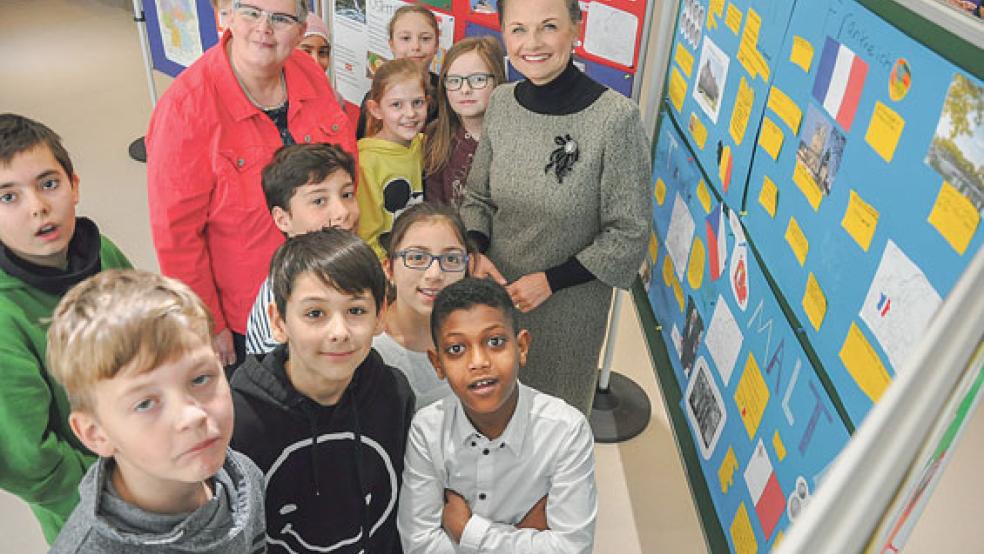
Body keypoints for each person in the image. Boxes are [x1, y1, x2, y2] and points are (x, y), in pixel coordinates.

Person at [459, 0, 651, 414]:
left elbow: (629, 233)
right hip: (497, 296)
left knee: (552, 426)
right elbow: (476, 197)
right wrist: (474, 250)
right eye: (518, 30)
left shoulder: (615, 119)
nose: (532, 43)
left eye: (548, 26)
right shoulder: (502, 103)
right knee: (492, 414)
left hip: (568, 310)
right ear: (504, 34)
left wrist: (551, 280)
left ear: (575, 29)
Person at [147, 0, 356, 371]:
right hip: (249, 313)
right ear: (227, 15)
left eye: (280, 18)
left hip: (328, 287)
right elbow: (176, 234)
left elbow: (345, 172)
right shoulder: (185, 108)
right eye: (251, 12)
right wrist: (207, 322)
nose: (264, 28)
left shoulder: (307, 71)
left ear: (301, 28)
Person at [46, 270, 266, 552]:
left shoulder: (245, 478)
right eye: (146, 403)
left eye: (200, 379)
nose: (192, 416)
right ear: (96, 434)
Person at [231, 229, 415, 553]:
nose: (339, 332)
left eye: (356, 311)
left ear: (380, 315)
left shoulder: (392, 394)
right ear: (279, 321)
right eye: (315, 314)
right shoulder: (240, 419)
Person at [0, 113, 132, 543]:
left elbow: (151, 330)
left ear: (74, 186)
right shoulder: (6, 317)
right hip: (92, 509)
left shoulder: (100, 252)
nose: (37, 205)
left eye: (48, 184)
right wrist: (110, 495)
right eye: (8, 197)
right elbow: (27, 461)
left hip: (152, 461)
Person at [398, 278, 597, 552]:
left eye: (495, 342)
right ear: (438, 364)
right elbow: (419, 545)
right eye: (456, 349)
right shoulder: (427, 429)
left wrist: (468, 532)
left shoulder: (566, 430)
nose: (479, 362)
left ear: (522, 347)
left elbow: (572, 548)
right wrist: (524, 536)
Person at [245, 142, 360, 356]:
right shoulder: (282, 288)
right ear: (283, 219)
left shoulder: (357, 264)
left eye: (347, 195)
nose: (342, 212)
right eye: (319, 201)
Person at [376, 203, 474, 409]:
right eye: (418, 257)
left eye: (451, 259)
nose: (435, 274)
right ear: (389, 269)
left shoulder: (478, 347)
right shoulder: (362, 345)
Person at [357, 59, 429, 259]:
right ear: (376, 109)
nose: (410, 113)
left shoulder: (424, 145)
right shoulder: (366, 162)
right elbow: (366, 235)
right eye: (397, 105)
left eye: (418, 103)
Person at [424, 37, 505, 208]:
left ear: (497, 80)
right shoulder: (436, 136)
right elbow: (434, 206)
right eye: (454, 81)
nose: (465, 89)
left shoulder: (511, 140)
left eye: (477, 79)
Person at [356, 4, 441, 139]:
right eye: (405, 38)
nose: (415, 47)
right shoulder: (375, 96)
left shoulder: (447, 92)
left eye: (425, 39)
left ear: (437, 45)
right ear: (392, 45)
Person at [296, 14, 346, 105]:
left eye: (322, 52)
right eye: (306, 51)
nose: (316, 61)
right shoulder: (273, 102)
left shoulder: (335, 102)